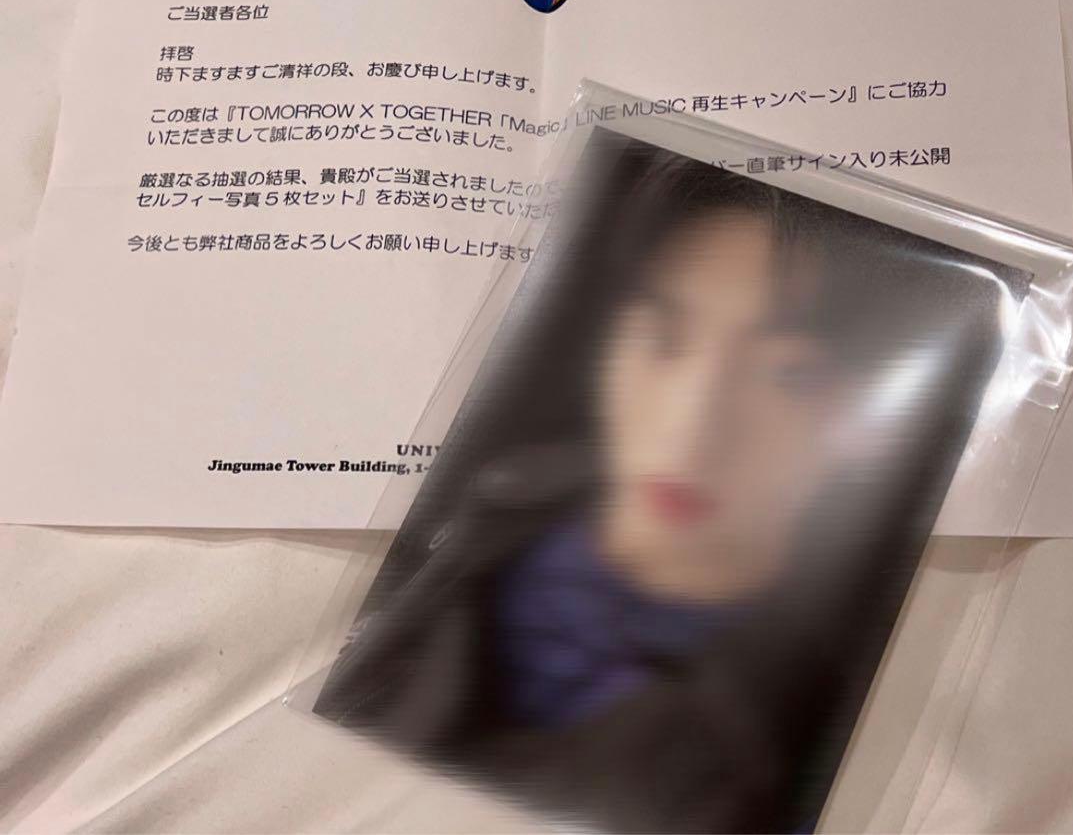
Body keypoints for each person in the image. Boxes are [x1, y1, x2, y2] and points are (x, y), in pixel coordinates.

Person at [315, 131, 1021, 833]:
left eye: (789, 375)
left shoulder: (820, 733)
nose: (691, 431)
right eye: (665, 338)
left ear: (882, 415)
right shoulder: (484, 505)